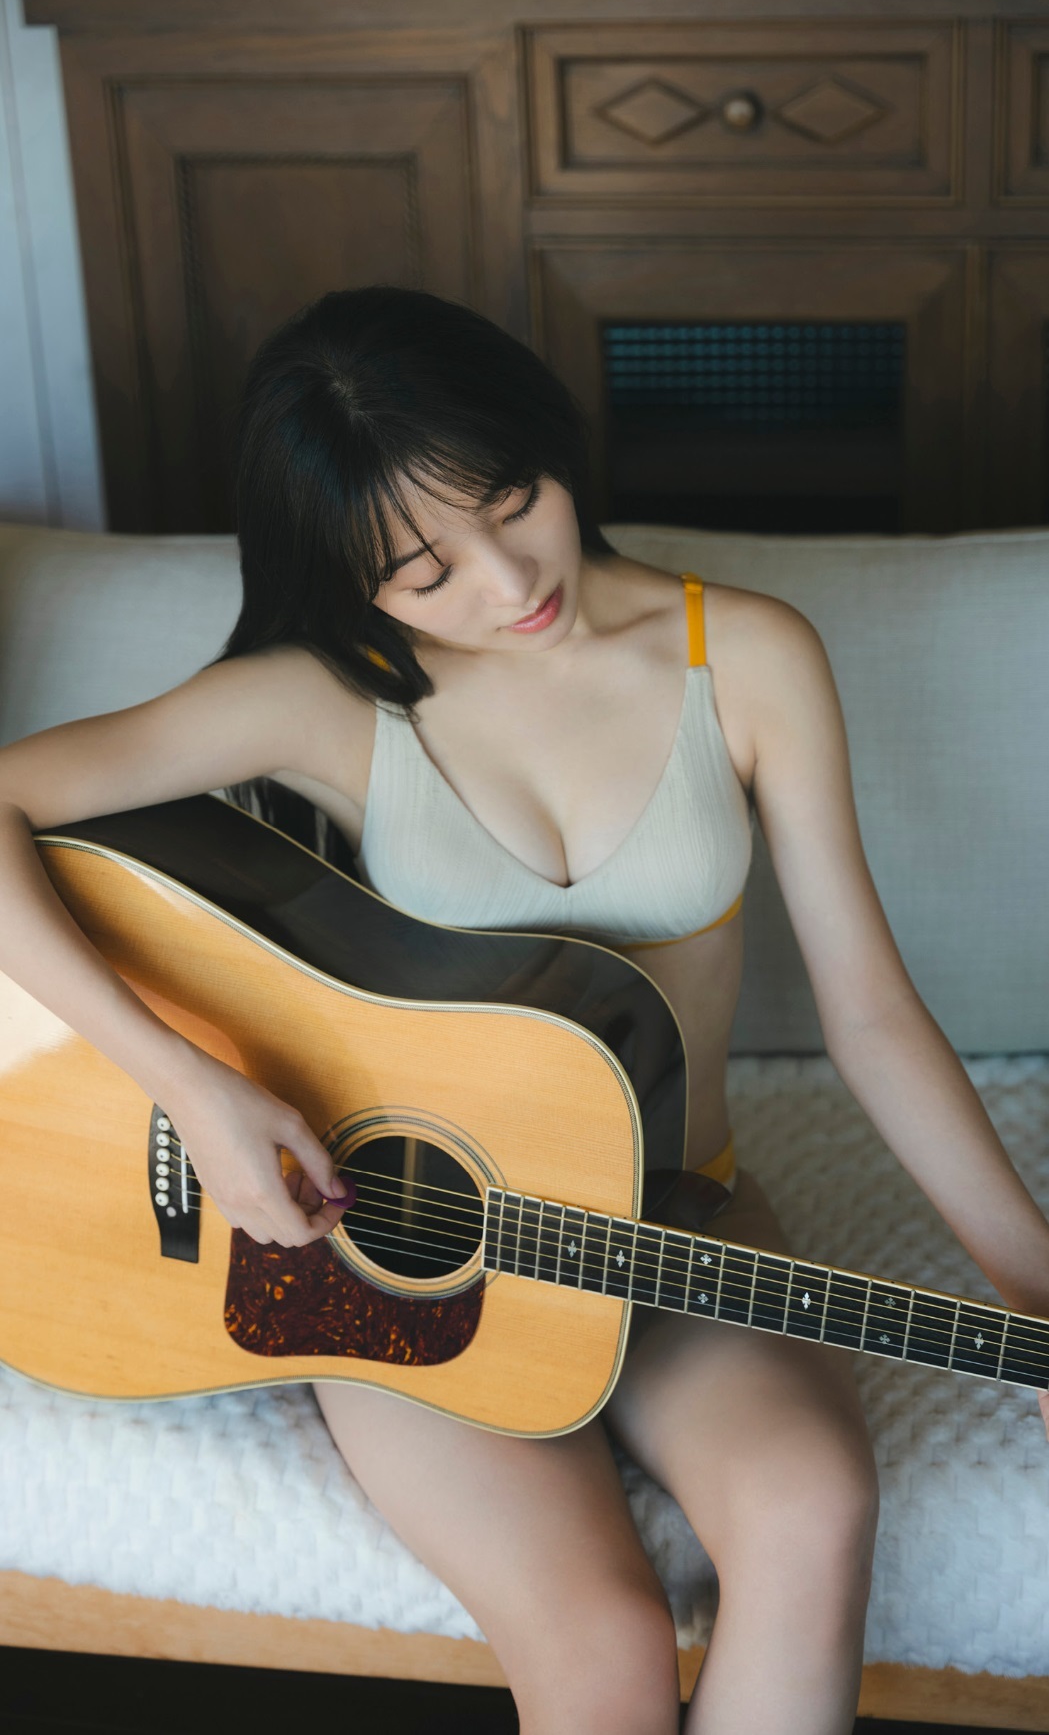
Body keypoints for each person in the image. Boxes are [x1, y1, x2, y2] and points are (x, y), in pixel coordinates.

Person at [0, 285, 1046, 1735]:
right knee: (604, 1646)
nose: (506, 582)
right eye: (423, 569)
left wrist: (1032, 1281)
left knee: (811, 1510)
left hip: (671, 1210)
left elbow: (867, 1014)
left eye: (514, 500)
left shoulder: (745, 655)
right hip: (391, 1252)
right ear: (347, 576)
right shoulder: (320, 697)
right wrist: (188, 1083)